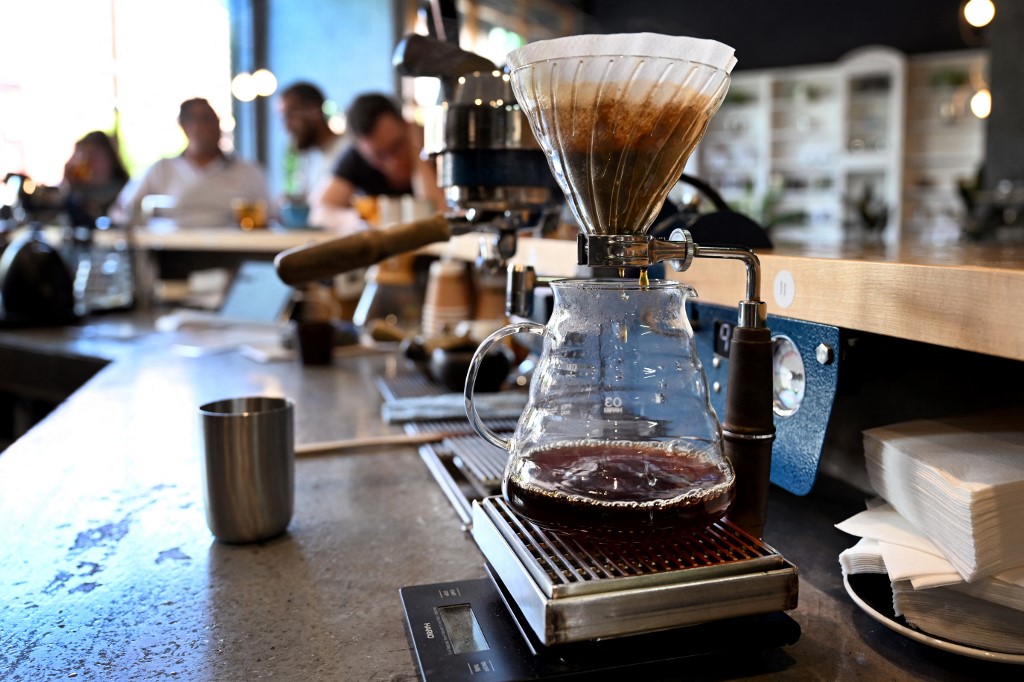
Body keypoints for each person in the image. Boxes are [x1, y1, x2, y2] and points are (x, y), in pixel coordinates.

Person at [116, 98, 270, 228]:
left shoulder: (248, 171)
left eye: (212, 119)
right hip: (171, 255)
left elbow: (271, 215)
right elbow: (123, 209)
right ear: (184, 126)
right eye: (199, 120)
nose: (208, 127)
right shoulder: (161, 169)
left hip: (238, 255)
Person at [319, 92, 445, 212]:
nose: (393, 162)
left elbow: (440, 212)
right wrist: (361, 220)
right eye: (380, 156)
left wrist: (417, 152)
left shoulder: (436, 145)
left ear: (407, 125)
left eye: (396, 146)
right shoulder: (357, 156)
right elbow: (321, 211)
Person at [277, 81, 346, 209]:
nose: (286, 127)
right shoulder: (309, 156)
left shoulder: (347, 151)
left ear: (314, 112)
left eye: (290, 116)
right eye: (282, 118)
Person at [61, 130, 130, 227]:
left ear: (111, 159)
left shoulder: (127, 194)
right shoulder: (75, 198)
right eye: (84, 155)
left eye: (95, 155)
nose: (89, 162)